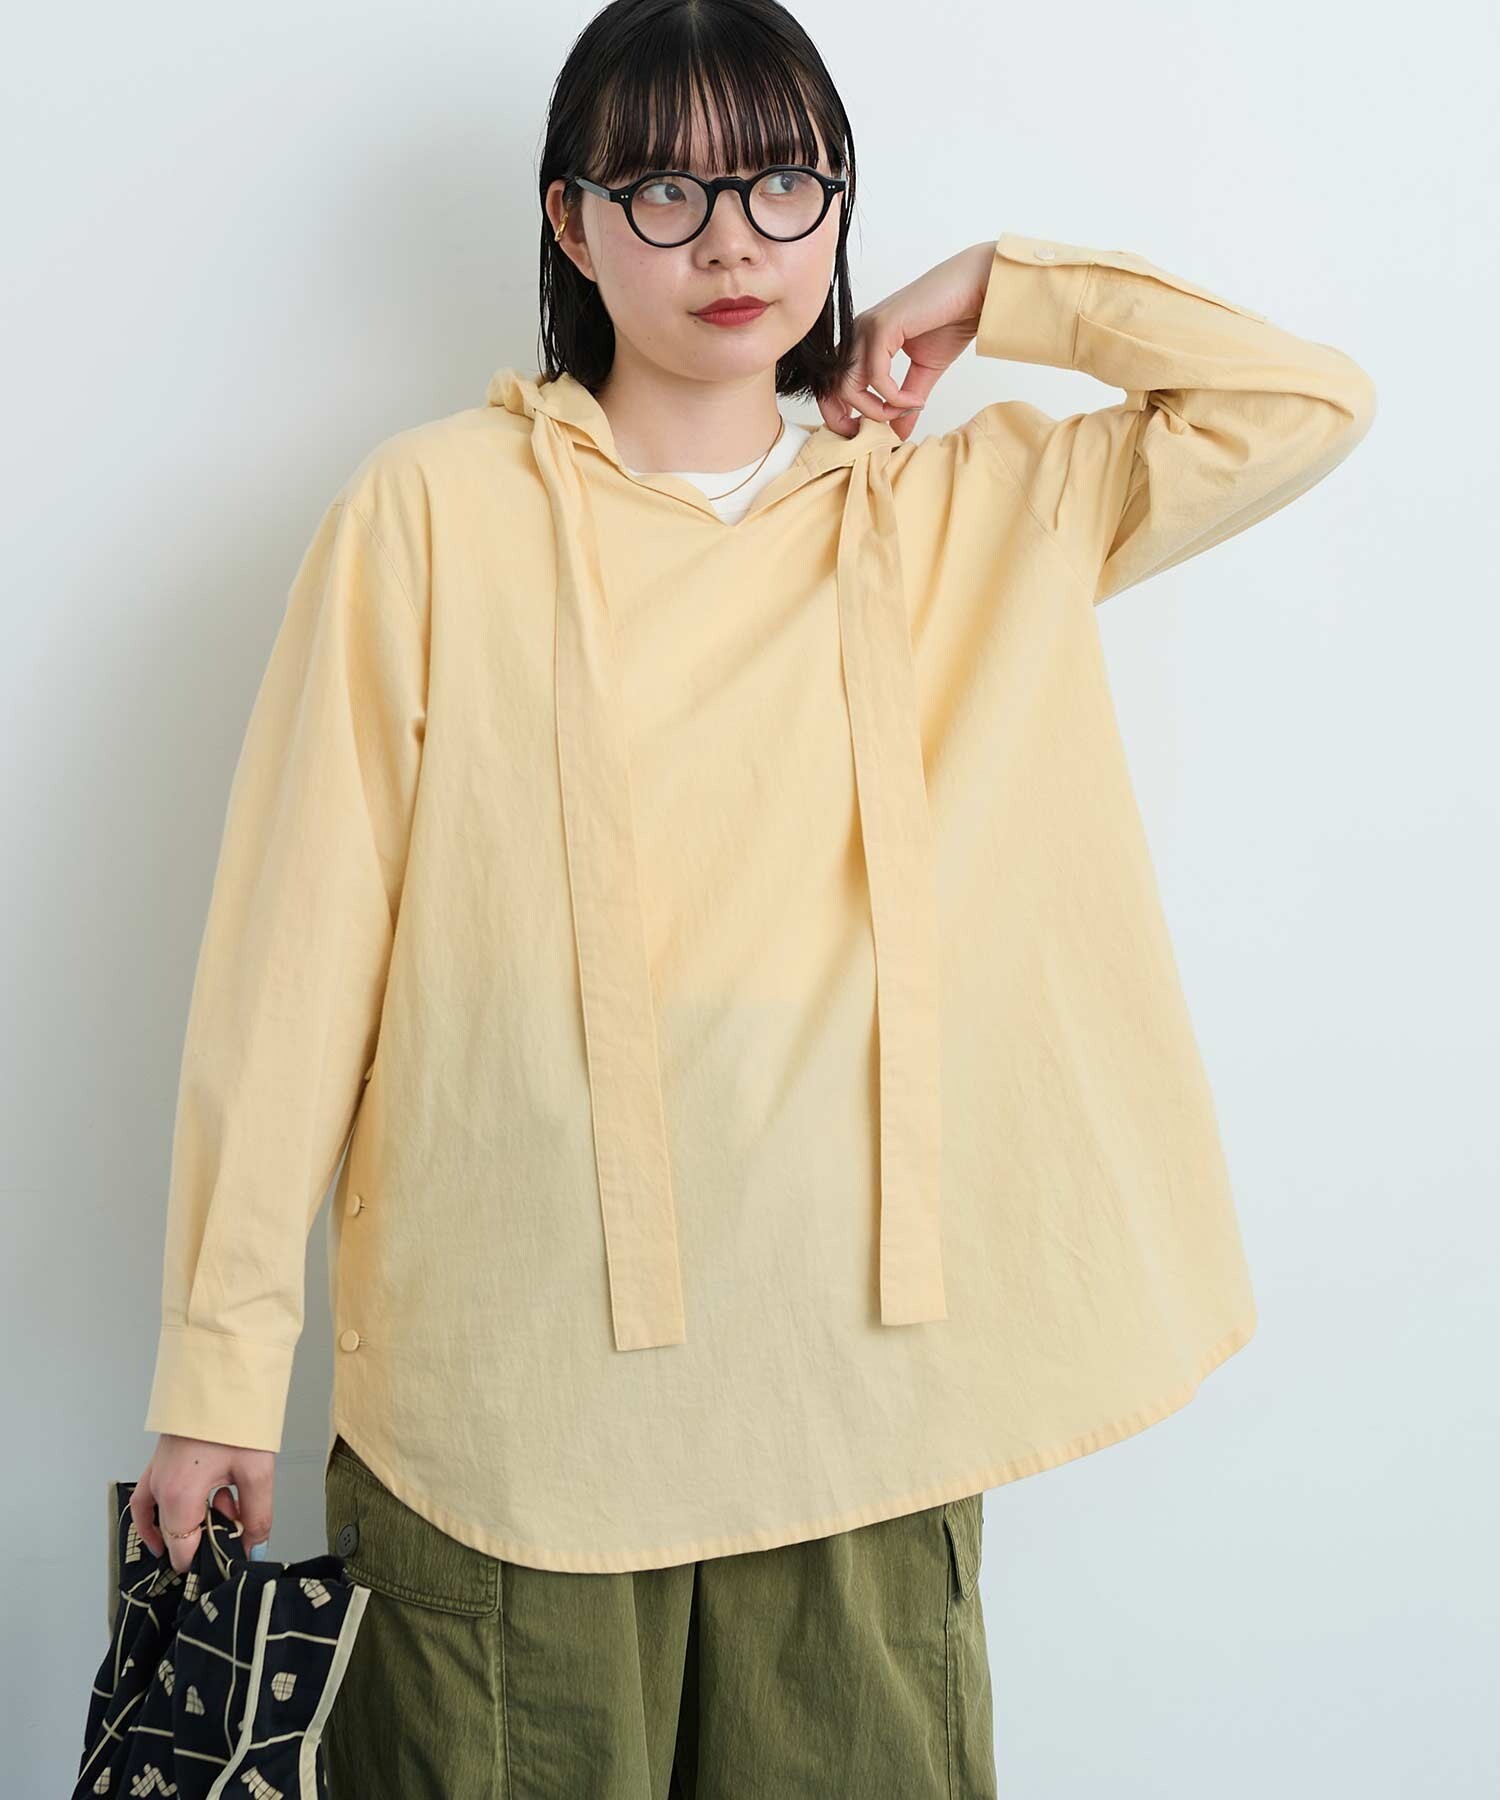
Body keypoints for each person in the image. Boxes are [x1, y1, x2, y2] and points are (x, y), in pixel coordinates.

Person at [130, 0, 1377, 1793]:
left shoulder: (967, 512)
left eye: (782, 183)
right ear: (570, 226)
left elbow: (1305, 405)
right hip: (516, 1416)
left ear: (839, 202)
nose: (731, 242)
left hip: (866, 1405)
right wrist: (217, 1374)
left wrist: (999, 289)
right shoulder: (431, 515)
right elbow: (294, 958)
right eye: (664, 190)